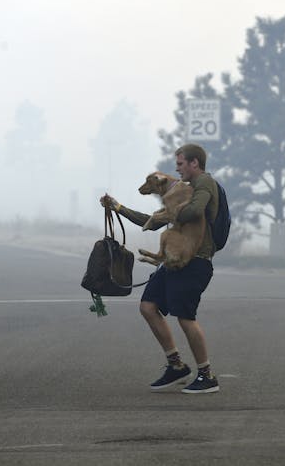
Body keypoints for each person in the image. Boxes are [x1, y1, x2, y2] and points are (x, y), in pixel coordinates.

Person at [100, 144, 220, 394]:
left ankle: (207, 376)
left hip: (196, 260)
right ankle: (176, 366)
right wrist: (118, 208)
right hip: (174, 260)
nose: (177, 169)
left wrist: (169, 211)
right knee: (148, 306)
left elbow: (195, 211)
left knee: (186, 317)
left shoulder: (203, 183)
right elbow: (151, 223)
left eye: (180, 164)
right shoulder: (179, 191)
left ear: (194, 163)